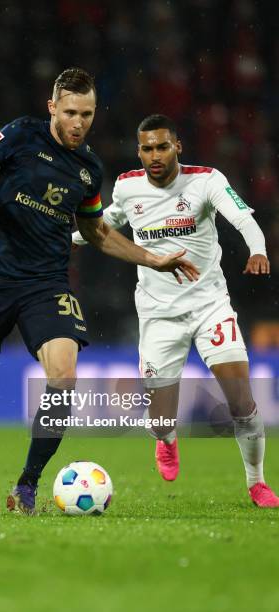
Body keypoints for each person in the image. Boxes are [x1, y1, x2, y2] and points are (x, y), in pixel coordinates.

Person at [0, 72, 199, 514]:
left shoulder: (89, 169)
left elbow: (95, 231)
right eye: (71, 112)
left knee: (63, 377)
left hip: (46, 284)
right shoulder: (20, 135)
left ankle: (26, 486)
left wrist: (152, 258)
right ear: (53, 107)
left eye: (88, 114)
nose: (79, 123)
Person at [73, 113, 279, 507]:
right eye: (147, 148)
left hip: (209, 306)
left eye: (162, 147)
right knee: (160, 418)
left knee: (241, 402)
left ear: (177, 147)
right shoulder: (128, 186)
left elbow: (241, 217)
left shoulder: (205, 180)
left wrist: (258, 249)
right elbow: (109, 221)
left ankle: (257, 482)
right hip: (157, 315)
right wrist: (69, 238)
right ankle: (166, 441)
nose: (155, 155)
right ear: (139, 151)